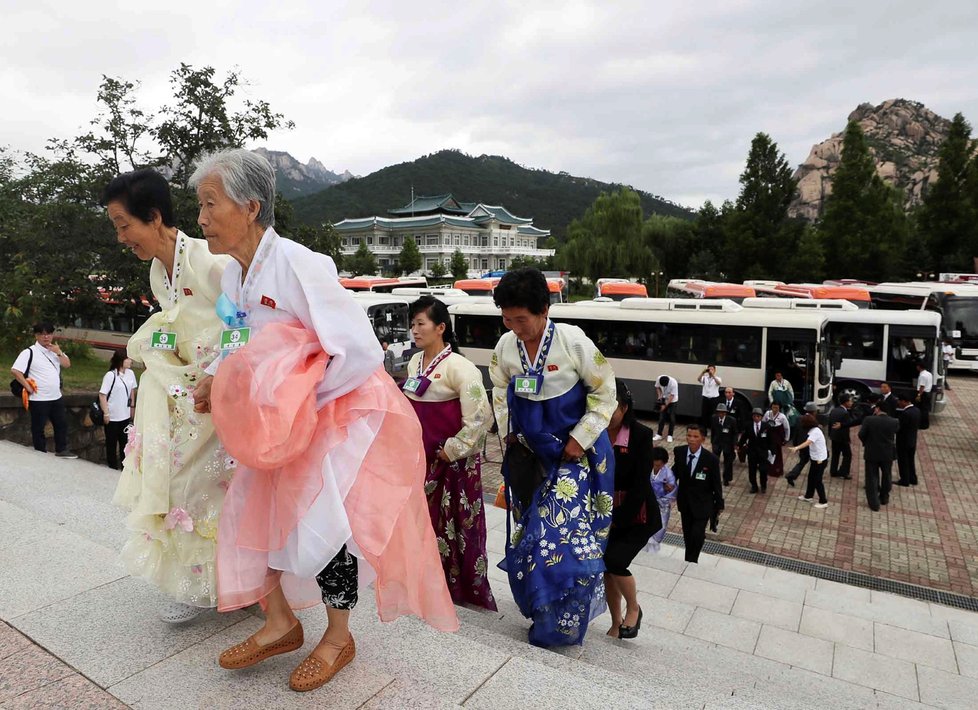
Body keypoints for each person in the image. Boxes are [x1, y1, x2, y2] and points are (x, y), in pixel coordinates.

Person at [188, 149, 457, 692]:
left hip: (327, 416)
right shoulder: (235, 277)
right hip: (270, 426)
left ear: (250, 206)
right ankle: (281, 622)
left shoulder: (298, 264)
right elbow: (240, 340)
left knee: (326, 525)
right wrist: (219, 377)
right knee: (248, 512)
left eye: (210, 204)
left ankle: (338, 636)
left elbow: (359, 352)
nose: (201, 218)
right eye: (201, 205)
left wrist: (302, 404)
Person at [102, 168, 233, 624]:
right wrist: (148, 347)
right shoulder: (160, 272)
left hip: (222, 392)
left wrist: (217, 373)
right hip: (186, 395)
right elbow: (173, 333)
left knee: (204, 488)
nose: (122, 238)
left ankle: (231, 583)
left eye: (124, 225)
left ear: (153, 216)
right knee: (183, 485)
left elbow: (248, 326)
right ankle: (198, 583)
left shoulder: (210, 260)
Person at [488, 267, 616, 647]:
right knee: (533, 538)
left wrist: (581, 438)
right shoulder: (505, 347)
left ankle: (563, 623)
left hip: (574, 456)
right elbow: (498, 389)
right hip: (530, 453)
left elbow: (604, 393)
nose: (515, 327)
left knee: (561, 540)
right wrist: (507, 430)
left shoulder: (574, 342)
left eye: (521, 319)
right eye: (507, 319)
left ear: (545, 309)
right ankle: (543, 612)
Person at [402, 296, 496, 611]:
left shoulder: (462, 367)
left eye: (421, 323)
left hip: (451, 462)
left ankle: (456, 586)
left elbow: (479, 418)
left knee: (456, 524)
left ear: (441, 327)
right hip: (420, 458)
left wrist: (451, 450)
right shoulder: (415, 362)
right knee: (420, 521)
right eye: (413, 324)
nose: (415, 330)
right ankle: (422, 578)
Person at [605, 381, 661, 639]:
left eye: (612, 407)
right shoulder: (594, 430)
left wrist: (620, 519)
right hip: (605, 512)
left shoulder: (640, 435)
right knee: (606, 569)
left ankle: (634, 608)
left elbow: (641, 483)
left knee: (616, 560)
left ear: (624, 407)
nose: (606, 413)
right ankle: (616, 623)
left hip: (637, 514)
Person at [10, 323, 77, 458]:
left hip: (56, 396)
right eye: (42, 334)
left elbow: (67, 364)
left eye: (49, 333)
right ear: (36, 335)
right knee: (38, 427)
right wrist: (27, 386)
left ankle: (62, 449)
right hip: (39, 398)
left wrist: (58, 352)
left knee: (61, 424)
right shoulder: (29, 352)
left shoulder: (55, 351)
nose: (46, 337)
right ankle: (40, 452)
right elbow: (15, 370)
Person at [673, 424, 723, 563]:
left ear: (703, 439)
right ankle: (688, 558)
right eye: (689, 436)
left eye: (695, 436)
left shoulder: (711, 459)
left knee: (697, 534)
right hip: (685, 503)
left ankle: (693, 560)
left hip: (703, 504)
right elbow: (674, 472)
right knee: (687, 535)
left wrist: (719, 505)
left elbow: (716, 484)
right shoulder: (680, 452)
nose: (691, 439)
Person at [98, 350, 137, 470]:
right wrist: (106, 413)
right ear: (121, 360)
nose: (130, 361)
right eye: (128, 359)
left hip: (125, 415)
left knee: (125, 442)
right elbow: (102, 395)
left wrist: (132, 408)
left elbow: (132, 391)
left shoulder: (130, 373)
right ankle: (112, 466)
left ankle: (125, 467)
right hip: (113, 415)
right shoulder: (111, 375)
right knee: (111, 442)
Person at [858, 396, 899, 511]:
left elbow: (861, 434)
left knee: (871, 477)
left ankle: (874, 503)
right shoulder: (894, 422)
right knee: (887, 475)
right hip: (887, 453)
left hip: (872, 453)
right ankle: (884, 497)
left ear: (878, 409)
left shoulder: (869, 420)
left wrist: (867, 443)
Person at [789, 415, 829, 509]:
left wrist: (796, 448)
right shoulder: (814, 430)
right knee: (811, 477)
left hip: (820, 460)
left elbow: (808, 442)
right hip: (816, 459)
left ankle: (823, 501)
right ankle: (808, 496)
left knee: (817, 481)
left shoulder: (815, 432)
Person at [645, 446, 676, 554]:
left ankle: (653, 546)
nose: (655, 467)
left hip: (661, 504)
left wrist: (666, 490)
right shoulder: (646, 468)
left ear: (664, 463)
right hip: (646, 502)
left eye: (658, 465)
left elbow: (672, 490)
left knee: (660, 526)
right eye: (654, 464)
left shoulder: (668, 474)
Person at [738, 408, 770, 494]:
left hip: (763, 452)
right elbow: (744, 437)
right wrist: (739, 446)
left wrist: (772, 451)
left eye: (758, 416)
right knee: (752, 470)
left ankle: (763, 485)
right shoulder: (748, 426)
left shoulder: (766, 426)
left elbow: (770, 440)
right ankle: (754, 486)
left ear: (761, 417)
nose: (756, 418)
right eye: (754, 416)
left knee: (763, 470)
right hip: (752, 452)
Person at [785, 401, 817, 487]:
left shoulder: (799, 418)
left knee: (802, 461)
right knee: (815, 463)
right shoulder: (813, 421)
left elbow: (796, 432)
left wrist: (796, 445)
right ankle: (815, 479)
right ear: (813, 411)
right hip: (809, 445)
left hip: (801, 444)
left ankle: (792, 475)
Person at [895, 392, 921, 486]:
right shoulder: (916, 410)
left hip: (903, 441)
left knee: (903, 461)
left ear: (904, 401)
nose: (898, 403)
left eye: (899, 401)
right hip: (912, 440)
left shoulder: (906, 413)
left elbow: (900, 427)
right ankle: (912, 478)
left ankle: (904, 480)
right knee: (911, 460)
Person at [709, 403, 738, 486]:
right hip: (717, 442)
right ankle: (714, 477)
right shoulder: (714, 418)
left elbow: (735, 433)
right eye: (719, 412)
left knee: (728, 462)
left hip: (727, 443)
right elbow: (713, 430)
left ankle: (726, 478)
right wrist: (712, 441)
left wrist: (734, 443)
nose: (720, 414)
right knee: (714, 461)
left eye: (722, 412)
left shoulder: (732, 420)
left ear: (725, 413)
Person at [828, 395, 856, 479]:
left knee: (835, 455)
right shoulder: (845, 413)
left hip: (834, 436)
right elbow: (845, 427)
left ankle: (833, 471)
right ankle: (844, 472)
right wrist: (847, 439)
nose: (851, 403)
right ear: (846, 402)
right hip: (842, 438)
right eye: (850, 401)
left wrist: (830, 434)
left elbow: (830, 423)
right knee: (847, 455)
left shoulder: (834, 410)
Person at [762, 401, 790, 478]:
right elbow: (763, 422)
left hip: (776, 436)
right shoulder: (767, 413)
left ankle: (776, 470)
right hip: (768, 435)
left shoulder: (782, 417)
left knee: (776, 453)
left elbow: (787, 428)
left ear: (779, 408)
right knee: (767, 452)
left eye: (776, 408)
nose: (774, 409)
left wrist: (786, 438)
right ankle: (767, 468)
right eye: (773, 407)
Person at [653, 373, 679, 442]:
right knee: (661, 418)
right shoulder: (659, 378)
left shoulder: (674, 383)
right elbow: (657, 387)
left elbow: (672, 396)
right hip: (664, 398)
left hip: (673, 401)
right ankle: (659, 434)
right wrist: (659, 396)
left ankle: (670, 435)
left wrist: (664, 406)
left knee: (672, 418)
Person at [915, 363, 933, 429]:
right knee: (925, 410)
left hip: (923, 394)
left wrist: (919, 395)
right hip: (928, 393)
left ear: (919, 367)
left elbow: (922, 386)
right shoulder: (929, 374)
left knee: (922, 410)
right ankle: (926, 424)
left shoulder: (922, 376)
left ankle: (921, 425)